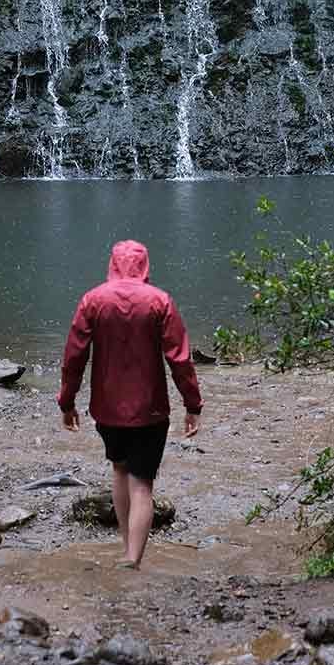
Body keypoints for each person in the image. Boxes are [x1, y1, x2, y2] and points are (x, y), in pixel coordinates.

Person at [58, 239, 203, 569]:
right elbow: (180, 360)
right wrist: (193, 405)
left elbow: (74, 357)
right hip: (149, 409)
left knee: (120, 470)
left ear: (111, 264)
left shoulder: (92, 300)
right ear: (145, 265)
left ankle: (127, 549)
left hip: (107, 408)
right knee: (142, 484)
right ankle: (133, 558)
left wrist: (67, 402)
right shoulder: (159, 301)